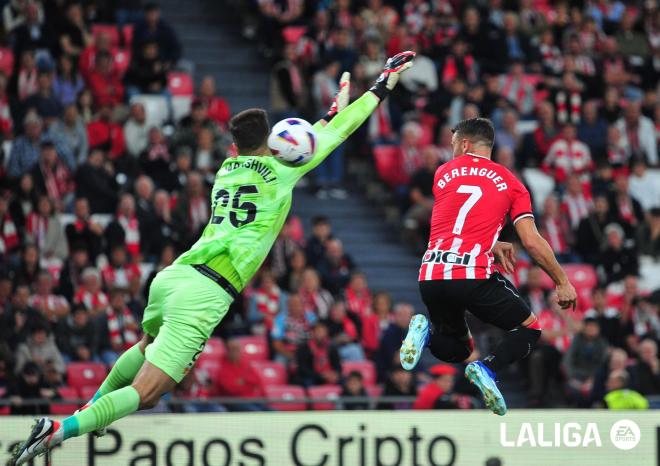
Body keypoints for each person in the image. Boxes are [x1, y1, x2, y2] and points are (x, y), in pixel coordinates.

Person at [10, 51, 416, 465]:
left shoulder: (227, 168)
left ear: (236, 145)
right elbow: (339, 132)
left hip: (174, 276)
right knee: (148, 393)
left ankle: (86, 413)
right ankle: (61, 429)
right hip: (207, 291)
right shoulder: (281, 174)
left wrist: (326, 116)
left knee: (146, 346)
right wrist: (380, 86)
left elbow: (308, 139)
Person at [399, 117, 578, 416]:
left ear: (465, 144)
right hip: (471, 275)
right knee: (530, 330)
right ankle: (487, 369)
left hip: (431, 274)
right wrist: (562, 280)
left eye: (454, 143)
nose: (452, 149)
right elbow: (531, 242)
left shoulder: (443, 173)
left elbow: (457, 219)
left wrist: (490, 242)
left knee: (460, 348)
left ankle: (425, 331)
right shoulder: (512, 183)